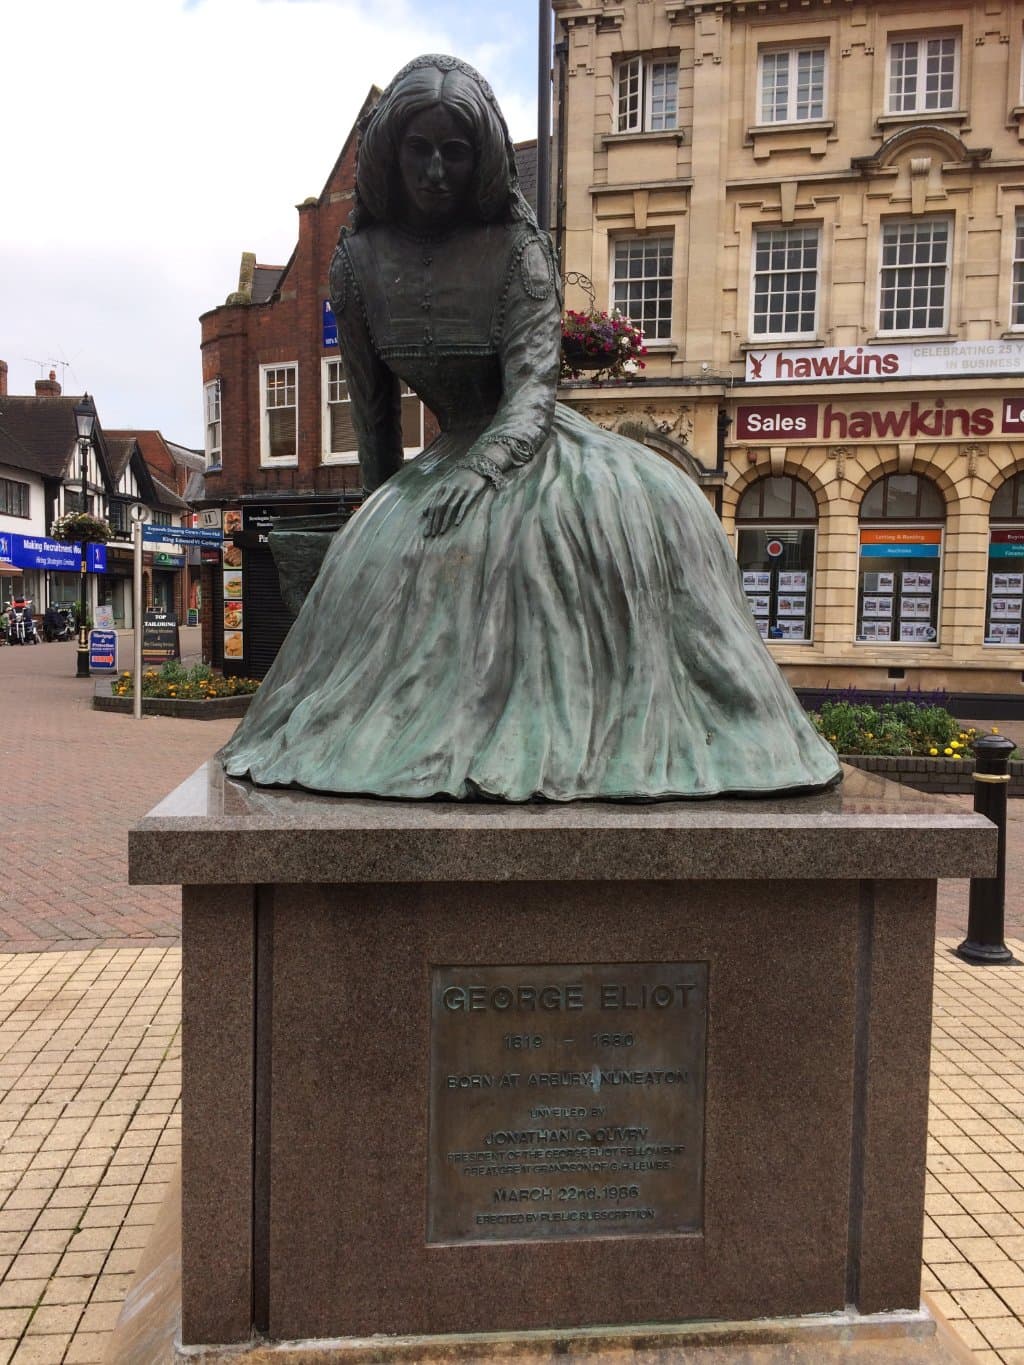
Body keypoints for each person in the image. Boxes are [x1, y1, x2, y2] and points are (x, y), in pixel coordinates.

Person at [221, 54, 840, 801]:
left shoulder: (520, 255)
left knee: (592, 542)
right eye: (420, 150)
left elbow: (531, 392)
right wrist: (370, 535)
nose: (437, 170)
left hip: (529, 449)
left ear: (481, 158)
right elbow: (373, 412)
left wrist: (482, 472)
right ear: (391, 153)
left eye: (456, 152)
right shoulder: (355, 264)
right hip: (440, 461)